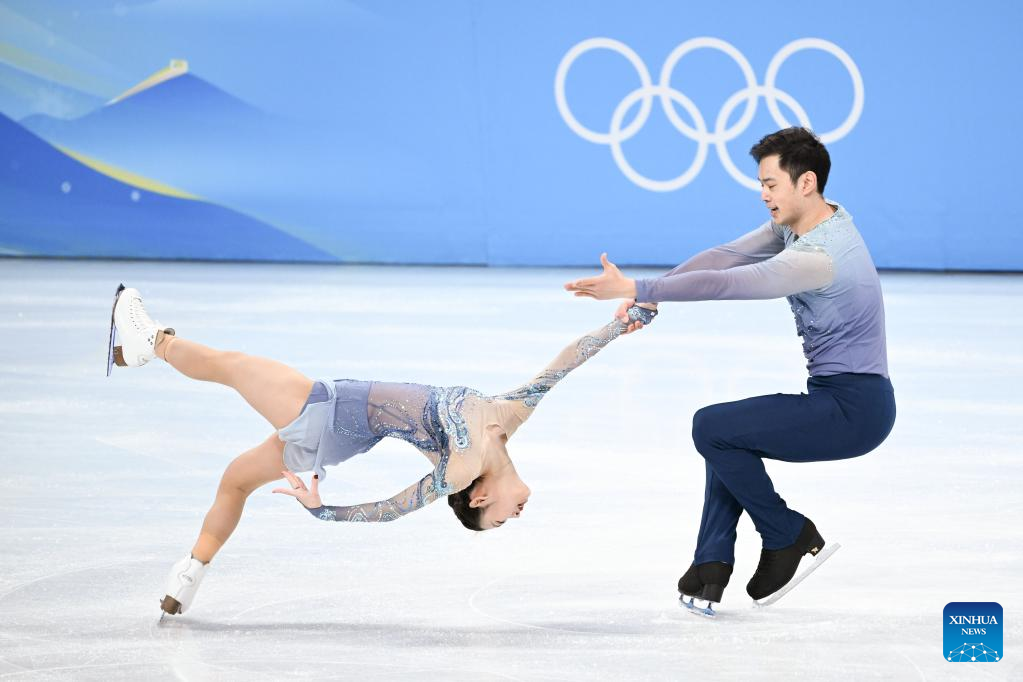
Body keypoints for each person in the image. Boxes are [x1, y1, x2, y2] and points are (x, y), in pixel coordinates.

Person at [107, 285, 657, 615]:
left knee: (231, 366)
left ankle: (150, 340)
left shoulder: (459, 468)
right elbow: (563, 364)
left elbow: (391, 509)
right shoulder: (507, 419)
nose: (514, 516)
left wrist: (324, 511)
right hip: (340, 434)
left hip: (327, 411)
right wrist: (618, 325)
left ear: (478, 494)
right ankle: (190, 574)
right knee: (235, 481)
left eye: (497, 521)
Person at [564, 127, 896, 614]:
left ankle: (786, 532)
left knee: (713, 427)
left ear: (806, 183)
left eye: (771, 184)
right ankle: (710, 566)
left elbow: (729, 283)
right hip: (839, 397)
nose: (764, 195)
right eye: (760, 184)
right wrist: (648, 296)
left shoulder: (820, 256)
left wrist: (636, 284)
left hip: (855, 409)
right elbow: (727, 255)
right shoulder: (808, 224)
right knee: (727, 435)